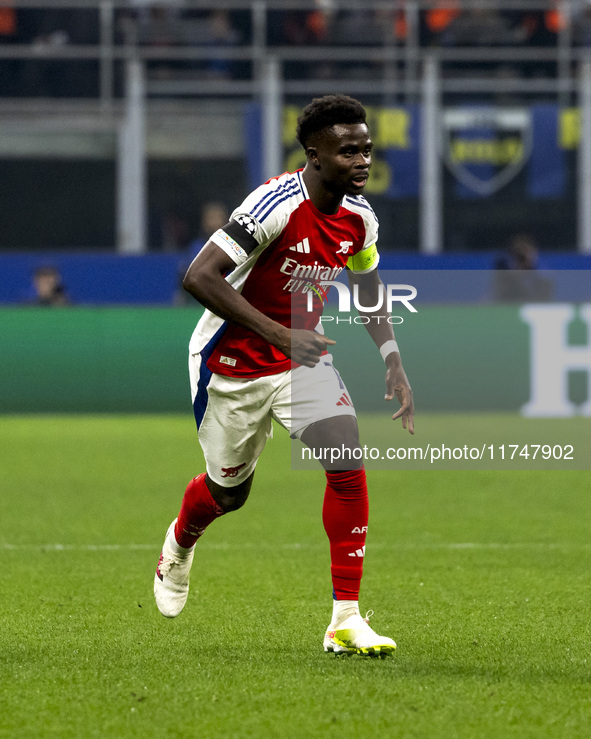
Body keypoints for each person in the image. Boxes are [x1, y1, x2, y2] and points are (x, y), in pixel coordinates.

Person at [154, 95, 414, 657]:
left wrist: (391, 356)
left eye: (367, 149)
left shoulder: (361, 219)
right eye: (349, 151)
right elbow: (199, 276)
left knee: (346, 460)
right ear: (315, 156)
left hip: (300, 359)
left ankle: (345, 619)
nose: (363, 160)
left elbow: (367, 285)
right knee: (229, 493)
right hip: (229, 366)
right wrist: (278, 333)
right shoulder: (275, 203)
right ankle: (180, 540)